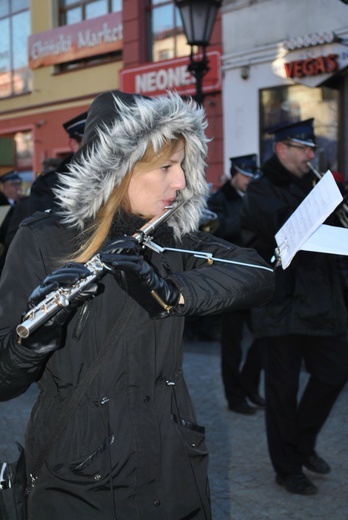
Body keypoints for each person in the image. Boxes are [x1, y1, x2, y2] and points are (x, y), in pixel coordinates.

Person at [0, 90, 274, 520]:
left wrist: (171, 291)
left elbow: (259, 274)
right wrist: (29, 343)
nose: (180, 181)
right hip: (76, 474)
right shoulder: (41, 239)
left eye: (182, 165)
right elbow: (3, 381)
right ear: (118, 168)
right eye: (166, 166)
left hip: (172, 464)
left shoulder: (175, 239)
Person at [240, 118, 348, 496]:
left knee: (335, 372)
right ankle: (287, 468)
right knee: (282, 393)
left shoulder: (318, 186)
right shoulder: (261, 188)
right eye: (303, 149)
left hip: (321, 301)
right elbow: (285, 228)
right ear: (282, 149)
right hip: (281, 305)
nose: (310, 156)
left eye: (312, 150)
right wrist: (325, 203)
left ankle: (302, 443)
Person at [207, 154, 266, 415]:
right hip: (230, 281)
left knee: (264, 336)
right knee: (231, 345)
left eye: (253, 176)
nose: (249, 181)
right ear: (234, 173)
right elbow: (217, 233)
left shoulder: (253, 197)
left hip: (254, 278)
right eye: (245, 176)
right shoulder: (219, 199)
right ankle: (235, 397)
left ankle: (249, 385)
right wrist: (248, 214)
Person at [0, 170, 23, 271]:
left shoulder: (20, 204)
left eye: (19, 185)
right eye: (13, 185)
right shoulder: (3, 204)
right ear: (4, 187)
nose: (17, 188)